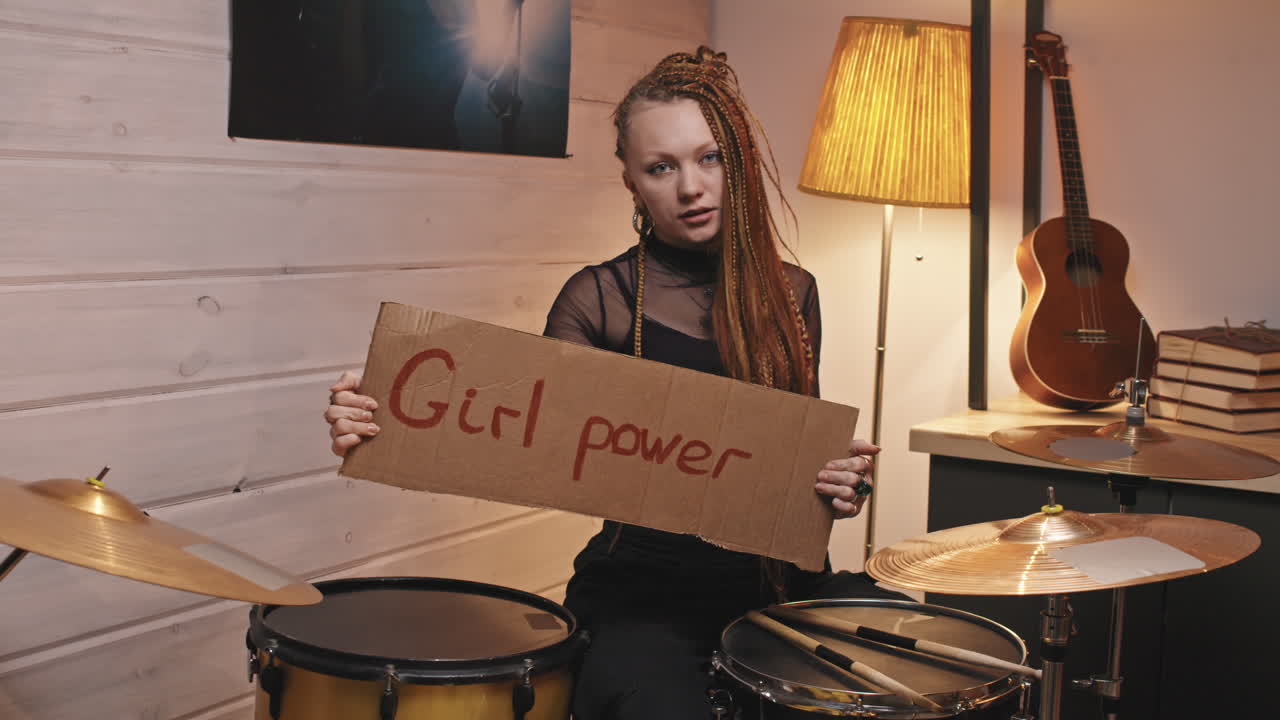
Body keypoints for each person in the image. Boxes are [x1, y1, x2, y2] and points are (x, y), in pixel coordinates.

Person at [324, 46, 899, 720]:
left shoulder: (794, 295)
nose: (691, 187)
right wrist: (386, 414)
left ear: (736, 161)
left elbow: (800, 473)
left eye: (708, 157)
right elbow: (517, 429)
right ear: (631, 182)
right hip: (646, 598)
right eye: (662, 167)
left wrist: (840, 486)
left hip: (781, 589)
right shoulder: (598, 301)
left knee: (928, 666)